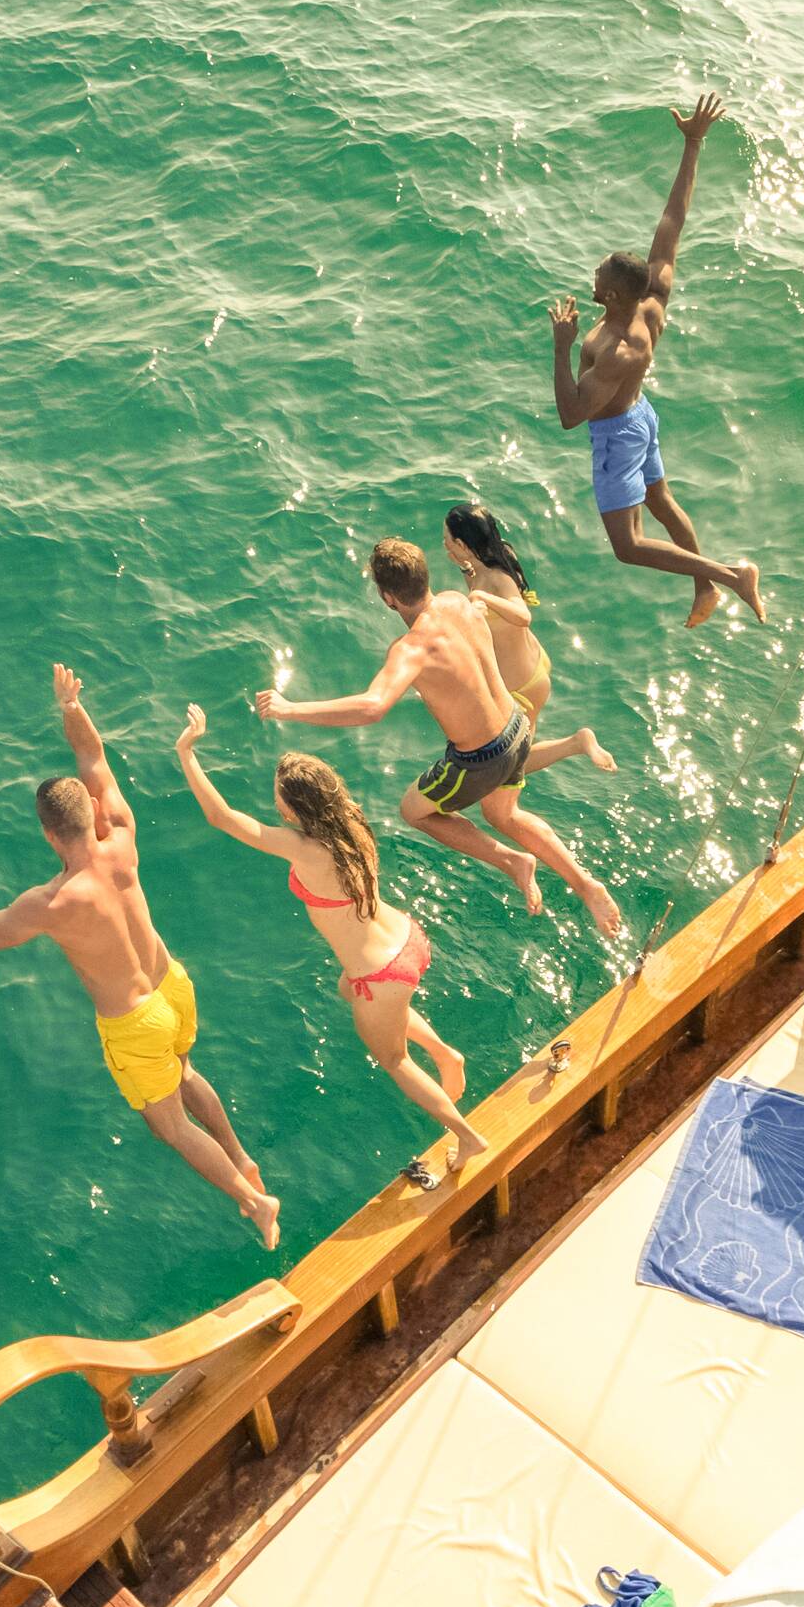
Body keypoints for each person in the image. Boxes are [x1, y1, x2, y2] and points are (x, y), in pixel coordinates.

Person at [0, 664, 278, 1245]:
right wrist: (71, 708)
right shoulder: (121, 831)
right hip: (173, 983)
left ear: (48, 835)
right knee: (188, 1071)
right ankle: (242, 1156)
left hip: (136, 1020)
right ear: (92, 814)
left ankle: (252, 1200)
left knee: (170, 1127)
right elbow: (94, 760)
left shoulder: (51, 903)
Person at [171, 706, 489, 1188]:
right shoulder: (350, 824)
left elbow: (222, 817)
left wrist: (187, 752)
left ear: (297, 810)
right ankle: (446, 1055)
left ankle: (466, 1136)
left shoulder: (305, 849)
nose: (276, 807)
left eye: (280, 801)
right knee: (348, 987)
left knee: (395, 1061)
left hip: (382, 975)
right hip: (406, 939)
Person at [258, 539, 624, 939]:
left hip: (480, 758)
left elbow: (373, 706)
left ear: (387, 597)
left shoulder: (411, 649)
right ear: (425, 576)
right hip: (518, 729)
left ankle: (513, 862)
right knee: (504, 815)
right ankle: (586, 885)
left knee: (414, 810)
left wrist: (289, 708)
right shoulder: (458, 602)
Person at [551, 92, 769, 628]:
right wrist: (693, 143)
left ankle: (729, 575)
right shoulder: (653, 297)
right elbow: (675, 217)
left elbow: (572, 414)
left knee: (629, 544)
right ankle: (704, 587)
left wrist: (561, 345)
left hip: (617, 434)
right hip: (640, 415)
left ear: (613, 297)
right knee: (661, 499)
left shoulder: (616, 348)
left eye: (599, 278)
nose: (594, 277)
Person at [442, 500, 613, 783]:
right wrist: (465, 567)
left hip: (521, 686)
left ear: (461, 543)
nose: (444, 543)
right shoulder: (491, 560)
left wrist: (482, 598)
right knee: (514, 762)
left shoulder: (495, 577)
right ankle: (576, 743)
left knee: (512, 766)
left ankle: (578, 742)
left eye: (447, 539)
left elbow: (522, 615)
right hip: (531, 666)